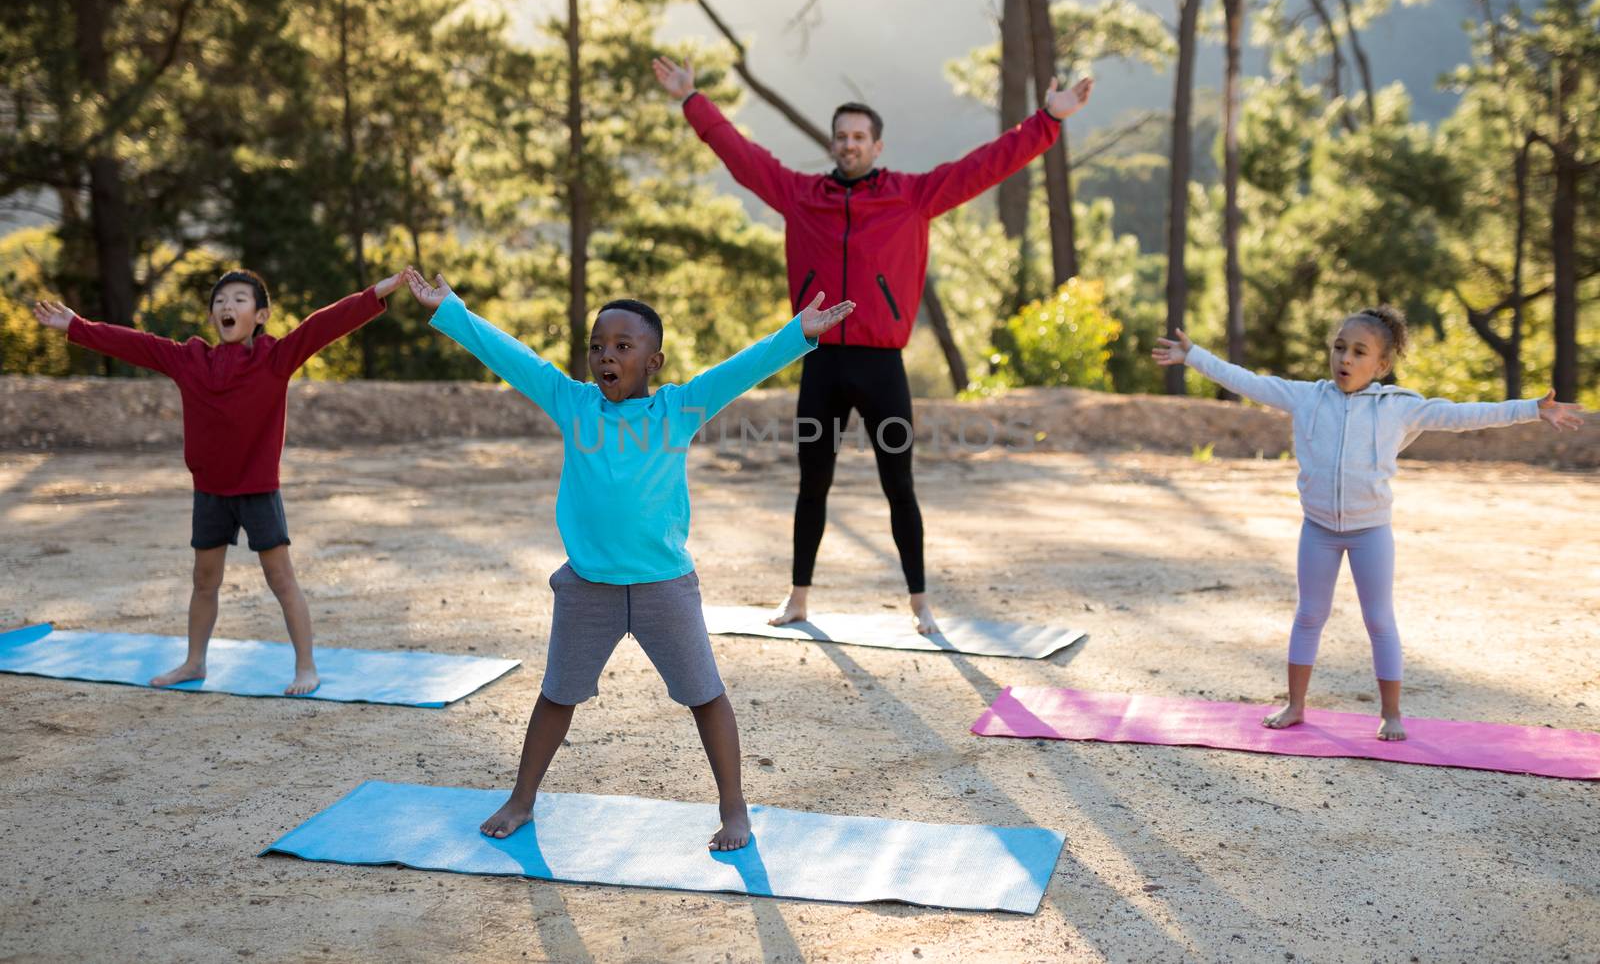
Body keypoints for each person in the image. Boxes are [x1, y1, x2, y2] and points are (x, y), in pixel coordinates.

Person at [405, 267, 854, 850]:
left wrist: (798, 335)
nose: (605, 356)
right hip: (587, 587)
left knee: (705, 695)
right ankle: (521, 800)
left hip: (664, 587)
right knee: (556, 695)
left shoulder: (679, 409)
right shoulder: (572, 403)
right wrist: (451, 310)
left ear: (654, 362)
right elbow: (512, 357)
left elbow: (741, 369)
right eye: (597, 346)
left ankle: (735, 811)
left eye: (622, 346)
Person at [653, 57, 1093, 635]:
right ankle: (798, 598)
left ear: (877, 145)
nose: (849, 145)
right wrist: (693, 100)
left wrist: (1046, 121)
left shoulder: (911, 197)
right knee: (813, 483)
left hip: (882, 366)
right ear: (833, 145)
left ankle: (920, 603)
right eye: (841, 137)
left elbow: (984, 167)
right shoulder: (799, 195)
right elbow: (741, 155)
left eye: (859, 137)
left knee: (899, 487)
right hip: (819, 362)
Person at [1153, 307, 1585, 740]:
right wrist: (1194, 356)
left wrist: (1531, 409)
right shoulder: (1307, 397)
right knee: (1309, 615)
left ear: (1381, 366)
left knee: (1379, 619)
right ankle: (1295, 705)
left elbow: (1464, 415)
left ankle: (1391, 714)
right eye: (1340, 347)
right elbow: (1247, 381)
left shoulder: (1398, 408)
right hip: (1318, 529)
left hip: (1370, 532)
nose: (1345, 358)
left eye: (1359, 352)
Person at [33, 268, 401, 694]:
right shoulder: (191, 360)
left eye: (240, 300)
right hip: (210, 492)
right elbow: (137, 345)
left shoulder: (276, 358)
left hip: (259, 490)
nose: (227, 306)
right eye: (220, 301)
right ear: (212, 316)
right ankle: (194, 663)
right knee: (204, 581)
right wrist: (76, 326)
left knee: (281, 580)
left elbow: (323, 325)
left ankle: (306, 666)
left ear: (260, 315)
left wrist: (375, 293)